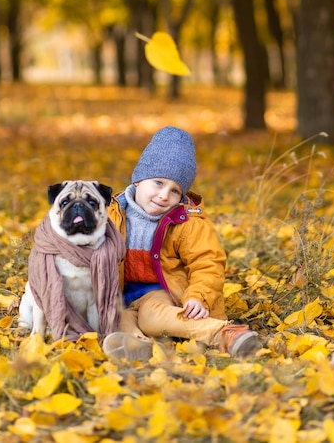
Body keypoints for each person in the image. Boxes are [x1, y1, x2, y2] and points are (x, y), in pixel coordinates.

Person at [102, 125, 262, 361]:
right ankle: (138, 346)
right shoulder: (111, 212)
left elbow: (207, 261)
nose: (164, 195)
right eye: (158, 183)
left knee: (151, 317)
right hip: (119, 295)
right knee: (114, 318)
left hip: (159, 293)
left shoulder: (187, 221)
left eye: (175, 190)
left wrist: (198, 295)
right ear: (138, 180)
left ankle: (225, 334)